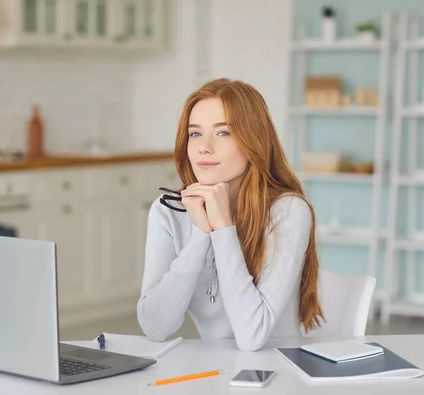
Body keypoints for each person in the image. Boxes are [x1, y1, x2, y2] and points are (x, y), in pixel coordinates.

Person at [136, 78, 324, 352]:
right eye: (195, 134)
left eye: (223, 133)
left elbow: (251, 337)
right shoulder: (167, 212)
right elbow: (156, 327)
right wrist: (202, 233)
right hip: (213, 373)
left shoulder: (288, 212)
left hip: (277, 369)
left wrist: (223, 228)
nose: (204, 147)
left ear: (254, 141)